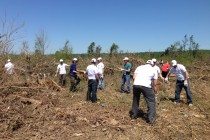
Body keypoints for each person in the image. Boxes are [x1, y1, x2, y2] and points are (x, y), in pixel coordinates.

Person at [131, 60, 158, 124]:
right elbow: (155, 84)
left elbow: (134, 77)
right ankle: (151, 119)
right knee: (151, 101)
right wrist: (155, 92)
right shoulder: (154, 69)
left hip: (136, 84)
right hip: (146, 86)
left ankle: (134, 115)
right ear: (152, 64)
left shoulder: (139, 67)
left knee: (135, 99)